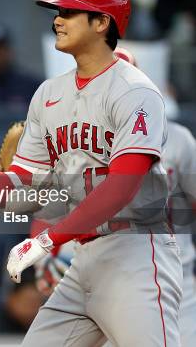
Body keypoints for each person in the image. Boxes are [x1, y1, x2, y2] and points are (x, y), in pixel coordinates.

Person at [1, 0, 182, 346]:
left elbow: (121, 187)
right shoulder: (49, 92)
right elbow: (23, 181)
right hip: (82, 258)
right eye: (58, 11)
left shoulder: (135, 90)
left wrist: (49, 240)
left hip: (134, 254)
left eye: (69, 11)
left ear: (102, 23)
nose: (57, 19)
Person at [34, 47, 196, 346]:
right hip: (88, 263)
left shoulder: (175, 137)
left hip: (159, 266)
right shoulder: (75, 141)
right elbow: (49, 206)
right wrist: (44, 259)